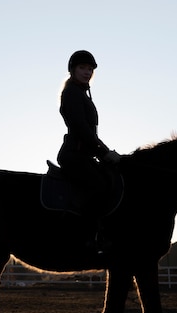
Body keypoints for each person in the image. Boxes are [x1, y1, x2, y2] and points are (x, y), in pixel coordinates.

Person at [57, 50, 120, 253]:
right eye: (82, 68)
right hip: (74, 155)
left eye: (90, 69)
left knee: (110, 180)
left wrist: (104, 152)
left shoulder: (81, 93)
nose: (87, 72)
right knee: (99, 186)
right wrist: (104, 152)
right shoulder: (72, 93)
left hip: (84, 155)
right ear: (73, 70)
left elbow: (89, 132)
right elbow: (81, 129)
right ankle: (88, 238)